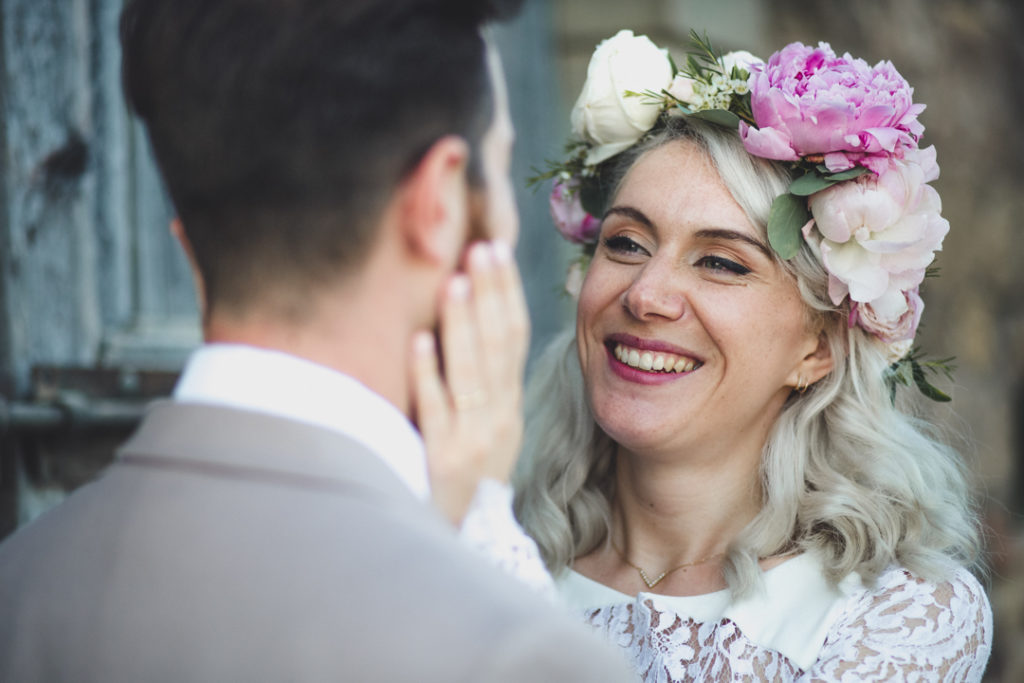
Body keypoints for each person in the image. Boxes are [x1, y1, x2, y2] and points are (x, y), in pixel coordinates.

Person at [0, 2, 635, 681]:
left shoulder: (21, 582)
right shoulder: (513, 650)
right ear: (440, 200)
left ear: (189, 247)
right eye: (502, 165)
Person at [513, 30, 993, 680]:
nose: (646, 294)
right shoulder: (492, 558)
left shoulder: (888, 613)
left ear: (818, 348)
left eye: (719, 261)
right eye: (626, 243)